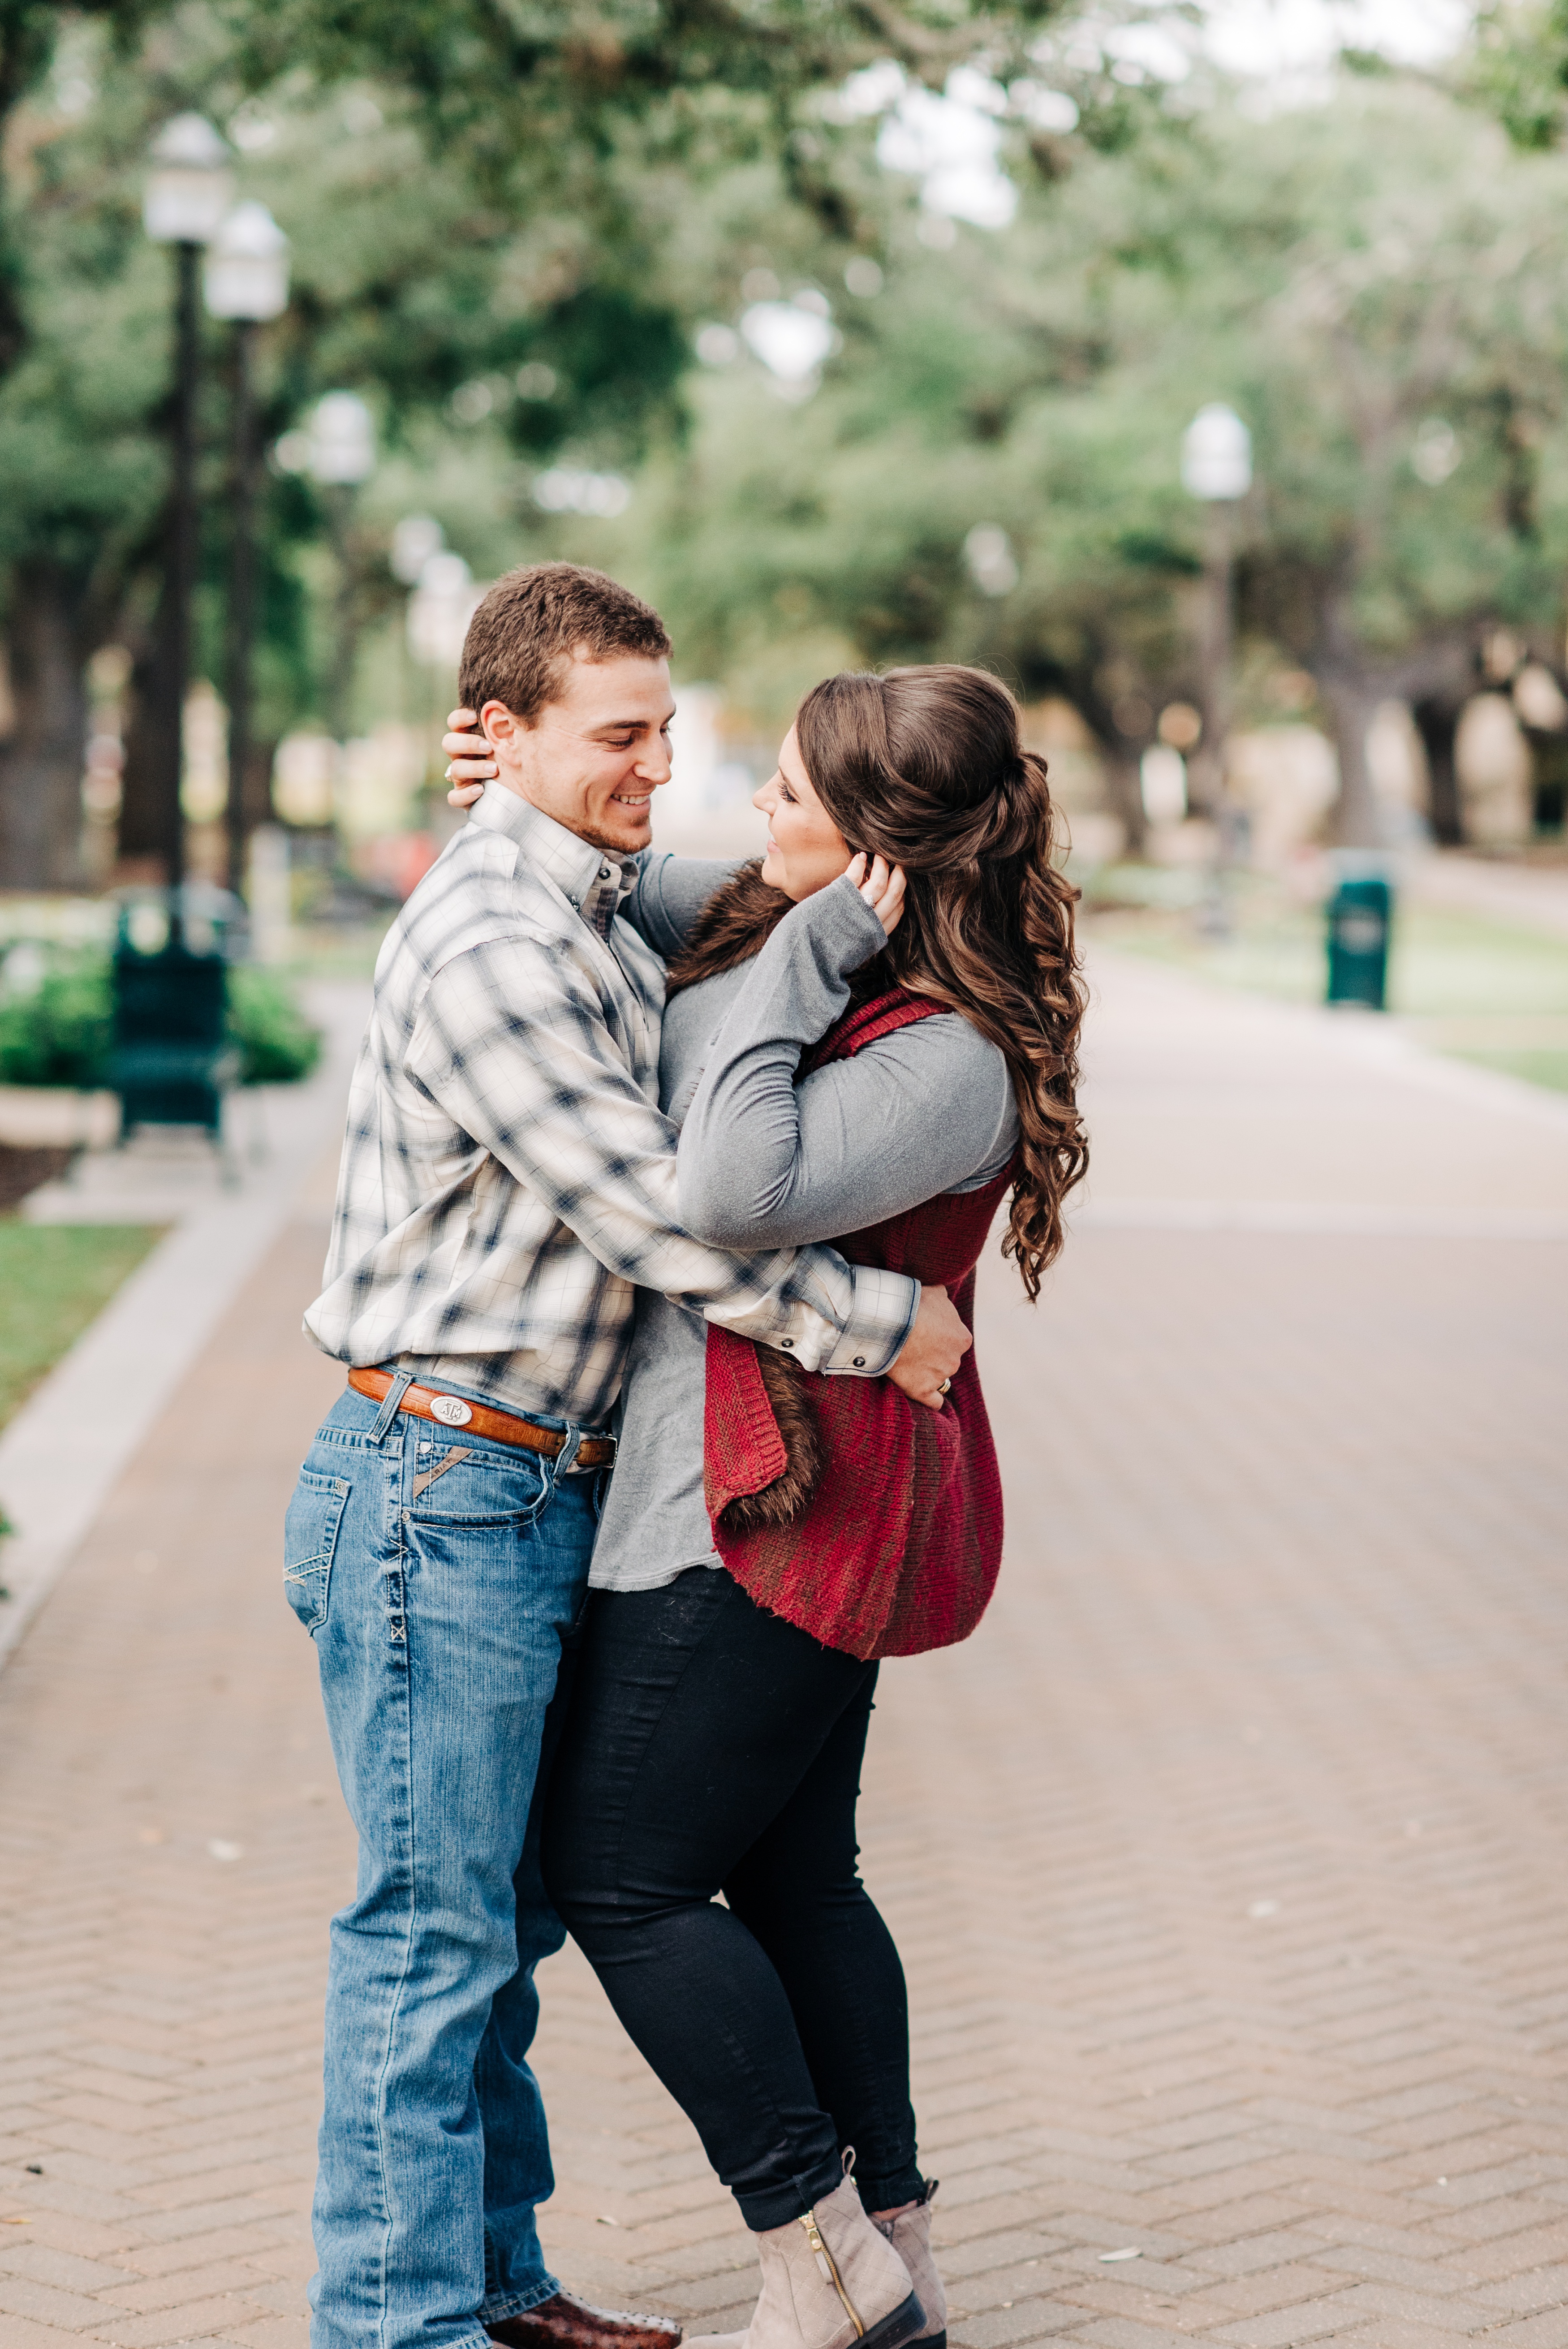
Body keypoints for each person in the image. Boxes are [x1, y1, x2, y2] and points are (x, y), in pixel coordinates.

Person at [287, 565, 969, 2349]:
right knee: (430, 1947)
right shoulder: (503, 942)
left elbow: (750, 893)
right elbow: (668, 1218)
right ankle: (396, 2323)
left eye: (665, 729)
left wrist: (563, 789)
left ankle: (493, 2281)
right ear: (503, 733)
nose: (658, 770)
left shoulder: (586, 887)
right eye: (619, 737)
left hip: (521, 1485)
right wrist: (877, 1329)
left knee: (493, 1935)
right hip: (433, 1492)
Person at [445, 661, 1088, 2349]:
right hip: (736, 1483)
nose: (751, 813)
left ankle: (817, 2253)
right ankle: (895, 2253)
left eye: (792, 796)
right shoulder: (778, 919)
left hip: (787, 1509)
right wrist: (511, 776)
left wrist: (804, 956)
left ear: (878, 851)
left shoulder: (940, 1049)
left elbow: (733, 1192)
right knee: (800, 1873)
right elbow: (614, 874)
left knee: (625, 1877)